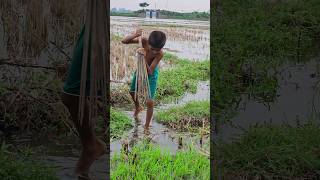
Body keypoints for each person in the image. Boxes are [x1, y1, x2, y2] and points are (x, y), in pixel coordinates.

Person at [62, 26, 106, 179]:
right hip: (94, 23)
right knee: (71, 93)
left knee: (72, 92)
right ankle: (91, 146)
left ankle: (91, 147)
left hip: (102, 25)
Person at [121, 28, 166, 131]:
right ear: (148, 42)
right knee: (132, 92)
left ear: (161, 48)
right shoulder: (144, 41)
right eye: (152, 48)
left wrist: (144, 56)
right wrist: (135, 35)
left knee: (150, 101)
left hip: (151, 74)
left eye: (157, 50)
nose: (154, 52)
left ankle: (146, 126)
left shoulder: (160, 54)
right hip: (140, 70)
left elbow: (150, 71)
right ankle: (138, 107)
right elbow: (124, 41)